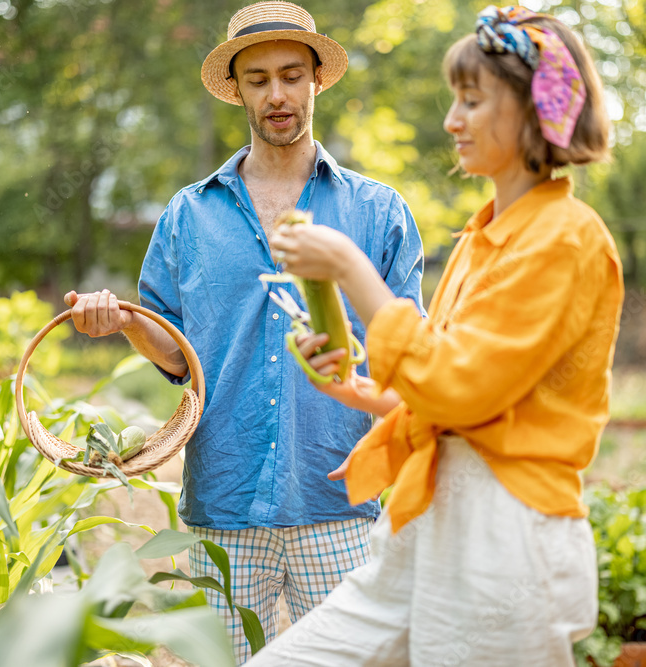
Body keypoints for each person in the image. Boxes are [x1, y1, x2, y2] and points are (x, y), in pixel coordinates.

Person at [250, 5, 622, 665]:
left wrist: (348, 267)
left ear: (537, 112)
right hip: (432, 514)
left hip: (507, 535)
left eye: (472, 101)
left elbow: (457, 392)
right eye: (456, 101)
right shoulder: (483, 239)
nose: (452, 120)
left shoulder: (567, 238)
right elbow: (450, 397)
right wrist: (360, 390)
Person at [64, 1, 424, 662]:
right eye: (258, 80)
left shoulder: (379, 212)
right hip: (223, 505)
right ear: (238, 91)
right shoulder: (189, 215)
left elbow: (413, 358)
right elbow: (176, 355)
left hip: (342, 499)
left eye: (291, 74)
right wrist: (123, 326)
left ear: (317, 78)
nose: (277, 93)